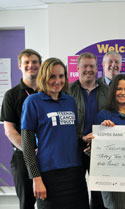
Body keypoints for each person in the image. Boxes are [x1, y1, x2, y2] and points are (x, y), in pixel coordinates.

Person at [21, 58, 89, 209]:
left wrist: (83, 138)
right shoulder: (33, 102)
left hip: (75, 173)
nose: (57, 81)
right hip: (48, 175)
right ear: (44, 77)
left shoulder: (70, 101)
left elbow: (69, 134)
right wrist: (36, 178)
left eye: (61, 76)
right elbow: (27, 145)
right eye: (52, 76)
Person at [0, 49, 41, 209]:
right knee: (27, 204)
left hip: (47, 157)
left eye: (35, 62)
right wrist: (31, 151)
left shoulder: (47, 92)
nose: (31, 65)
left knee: (49, 201)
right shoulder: (11, 95)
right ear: (20, 66)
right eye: (26, 62)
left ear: (40, 65)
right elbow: (9, 131)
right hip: (22, 157)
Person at [94, 74, 125, 209]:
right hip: (111, 177)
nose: (123, 93)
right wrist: (102, 130)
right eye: (119, 89)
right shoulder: (103, 115)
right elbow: (95, 147)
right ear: (113, 91)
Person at [69, 52, 107, 209]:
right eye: (85, 66)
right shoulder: (68, 91)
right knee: (77, 191)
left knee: (99, 193)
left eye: (92, 66)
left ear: (97, 68)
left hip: (101, 148)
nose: (88, 69)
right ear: (78, 68)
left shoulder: (107, 91)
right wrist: (82, 138)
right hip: (75, 147)